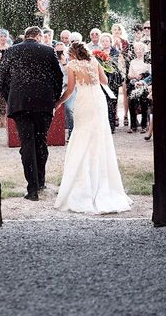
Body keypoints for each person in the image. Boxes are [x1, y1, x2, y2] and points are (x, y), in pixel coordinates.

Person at [53, 42, 132, 214]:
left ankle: (82, 185)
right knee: (99, 137)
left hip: (84, 101)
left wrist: (58, 102)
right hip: (98, 100)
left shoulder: (72, 65)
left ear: (72, 53)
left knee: (81, 136)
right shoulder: (94, 61)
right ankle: (103, 182)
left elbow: (71, 89)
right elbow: (104, 81)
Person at [0, 26, 63, 201]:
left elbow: (1, 78)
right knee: (41, 141)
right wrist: (53, 99)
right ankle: (40, 182)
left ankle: (32, 189)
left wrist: (10, 97)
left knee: (27, 144)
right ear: (38, 36)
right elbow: (58, 77)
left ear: (26, 36)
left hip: (20, 103)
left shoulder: (11, 51)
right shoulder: (48, 51)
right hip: (43, 103)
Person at [98, 32, 123, 133]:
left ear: (110, 42)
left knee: (112, 103)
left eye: (107, 41)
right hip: (102, 80)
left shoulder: (115, 52)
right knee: (102, 102)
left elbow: (116, 66)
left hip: (113, 80)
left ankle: (111, 125)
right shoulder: (98, 53)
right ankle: (103, 125)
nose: (105, 43)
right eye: (103, 41)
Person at [127, 42, 151, 133]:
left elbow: (149, 74)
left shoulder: (147, 62)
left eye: (141, 49)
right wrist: (135, 77)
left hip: (144, 84)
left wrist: (142, 78)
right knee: (131, 99)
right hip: (134, 82)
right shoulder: (133, 62)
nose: (139, 51)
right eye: (137, 49)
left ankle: (144, 124)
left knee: (143, 99)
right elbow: (129, 75)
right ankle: (133, 124)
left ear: (144, 50)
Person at [111, 23, 130, 127]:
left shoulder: (125, 41)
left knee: (125, 91)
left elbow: (126, 56)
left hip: (123, 68)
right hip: (114, 69)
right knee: (114, 93)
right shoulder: (109, 40)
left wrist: (120, 47)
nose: (116, 31)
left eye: (118, 29)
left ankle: (126, 115)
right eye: (114, 29)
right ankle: (115, 116)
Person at [0, 28, 11, 128]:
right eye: (1, 36)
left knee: (4, 98)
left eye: (4, 36)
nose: (3, 38)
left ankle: (4, 122)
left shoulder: (9, 48)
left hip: (6, 76)